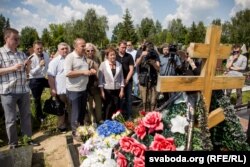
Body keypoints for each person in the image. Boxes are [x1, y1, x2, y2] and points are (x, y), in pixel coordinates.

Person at [0, 28, 39, 149]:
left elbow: (27, 73)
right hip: (8, 91)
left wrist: (27, 66)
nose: (18, 41)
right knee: (11, 119)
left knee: (26, 116)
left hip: (23, 90)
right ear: (6, 38)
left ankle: (27, 139)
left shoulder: (21, 53)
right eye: (15, 39)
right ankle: (13, 144)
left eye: (18, 39)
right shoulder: (0, 52)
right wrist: (12, 68)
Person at [64, 38, 96, 140]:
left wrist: (90, 71)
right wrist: (83, 72)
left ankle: (81, 130)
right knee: (76, 113)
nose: (84, 48)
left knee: (82, 112)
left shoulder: (83, 57)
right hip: (74, 90)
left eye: (85, 45)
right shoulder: (70, 57)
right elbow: (68, 73)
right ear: (75, 46)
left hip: (83, 89)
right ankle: (75, 133)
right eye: (82, 46)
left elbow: (83, 70)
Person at [47, 42, 71, 133]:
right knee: (61, 109)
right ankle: (61, 126)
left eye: (66, 48)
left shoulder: (71, 59)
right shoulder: (54, 61)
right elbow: (50, 76)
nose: (65, 50)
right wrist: (52, 88)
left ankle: (71, 124)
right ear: (58, 50)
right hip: (60, 90)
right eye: (62, 49)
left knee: (71, 107)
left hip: (71, 89)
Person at [98, 47, 124, 119]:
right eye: (111, 55)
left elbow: (121, 78)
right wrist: (102, 91)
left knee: (116, 105)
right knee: (108, 106)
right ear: (107, 56)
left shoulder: (119, 65)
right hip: (107, 90)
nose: (113, 56)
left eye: (114, 54)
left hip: (117, 89)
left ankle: (116, 121)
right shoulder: (103, 65)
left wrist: (122, 90)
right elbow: (100, 80)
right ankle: (107, 121)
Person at [29, 40, 50, 122]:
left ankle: (55, 107)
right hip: (35, 79)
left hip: (44, 78)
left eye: (41, 48)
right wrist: (39, 65)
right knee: (37, 99)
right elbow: (32, 73)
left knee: (56, 87)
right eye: (37, 49)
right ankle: (40, 116)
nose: (40, 50)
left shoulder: (46, 55)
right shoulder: (31, 58)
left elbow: (48, 66)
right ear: (34, 49)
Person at [136, 42, 160, 111]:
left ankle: (152, 114)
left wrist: (153, 63)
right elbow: (136, 64)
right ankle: (145, 114)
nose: (149, 50)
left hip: (153, 79)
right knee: (144, 100)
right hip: (143, 79)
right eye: (147, 48)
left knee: (153, 101)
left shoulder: (154, 53)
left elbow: (158, 68)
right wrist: (141, 56)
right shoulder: (140, 52)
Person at [85, 43, 103, 126]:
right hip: (87, 86)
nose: (90, 52)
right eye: (88, 50)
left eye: (92, 50)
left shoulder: (97, 59)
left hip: (97, 84)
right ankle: (93, 121)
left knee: (98, 104)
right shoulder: (83, 60)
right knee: (90, 105)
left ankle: (99, 119)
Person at [116, 40, 134, 120]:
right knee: (119, 99)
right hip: (118, 81)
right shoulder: (115, 56)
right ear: (118, 47)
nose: (124, 49)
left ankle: (129, 115)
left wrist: (126, 80)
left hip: (128, 81)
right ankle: (120, 115)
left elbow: (131, 70)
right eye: (122, 47)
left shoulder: (129, 56)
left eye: (125, 48)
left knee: (128, 99)